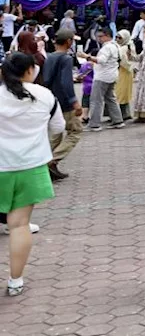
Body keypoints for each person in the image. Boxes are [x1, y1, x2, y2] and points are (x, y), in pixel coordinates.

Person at [0, 52, 62, 295]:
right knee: (19, 225)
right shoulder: (45, 96)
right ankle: (15, 281)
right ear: (29, 71)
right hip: (30, 166)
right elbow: (58, 128)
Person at [43, 30, 82, 180]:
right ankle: (52, 160)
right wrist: (74, 101)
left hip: (51, 99)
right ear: (68, 42)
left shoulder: (49, 57)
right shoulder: (66, 58)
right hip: (64, 102)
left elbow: (46, 79)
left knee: (55, 134)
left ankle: (48, 164)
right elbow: (66, 83)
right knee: (75, 131)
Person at [85, 25, 125, 131]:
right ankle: (118, 120)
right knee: (111, 98)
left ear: (107, 36)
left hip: (102, 77)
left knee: (96, 100)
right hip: (112, 74)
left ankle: (94, 124)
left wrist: (87, 57)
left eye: (100, 36)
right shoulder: (116, 46)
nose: (99, 39)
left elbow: (101, 60)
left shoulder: (107, 47)